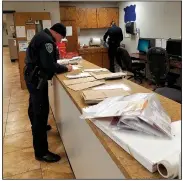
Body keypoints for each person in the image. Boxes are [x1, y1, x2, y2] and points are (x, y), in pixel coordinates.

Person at [24, 23, 72, 163]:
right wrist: (66, 68)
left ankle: (38, 125)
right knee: (40, 111)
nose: (58, 41)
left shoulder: (41, 35)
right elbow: (49, 65)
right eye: (60, 38)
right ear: (56, 33)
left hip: (31, 76)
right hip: (37, 79)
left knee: (34, 105)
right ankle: (41, 152)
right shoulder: (47, 41)